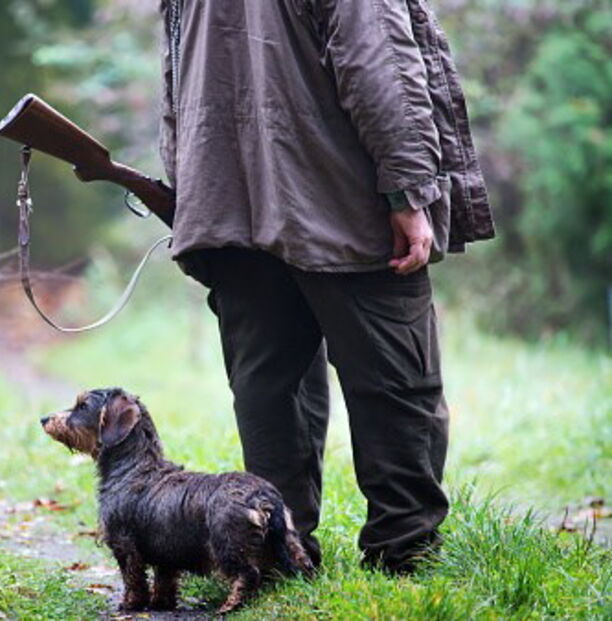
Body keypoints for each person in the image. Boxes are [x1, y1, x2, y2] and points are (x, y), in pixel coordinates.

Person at [157, 0, 495, 574]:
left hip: (228, 202)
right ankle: (405, 554)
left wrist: (191, 190)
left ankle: (276, 558)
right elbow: (378, 61)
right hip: (342, 202)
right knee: (396, 382)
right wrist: (407, 189)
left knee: (269, 386)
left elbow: (174, 78)